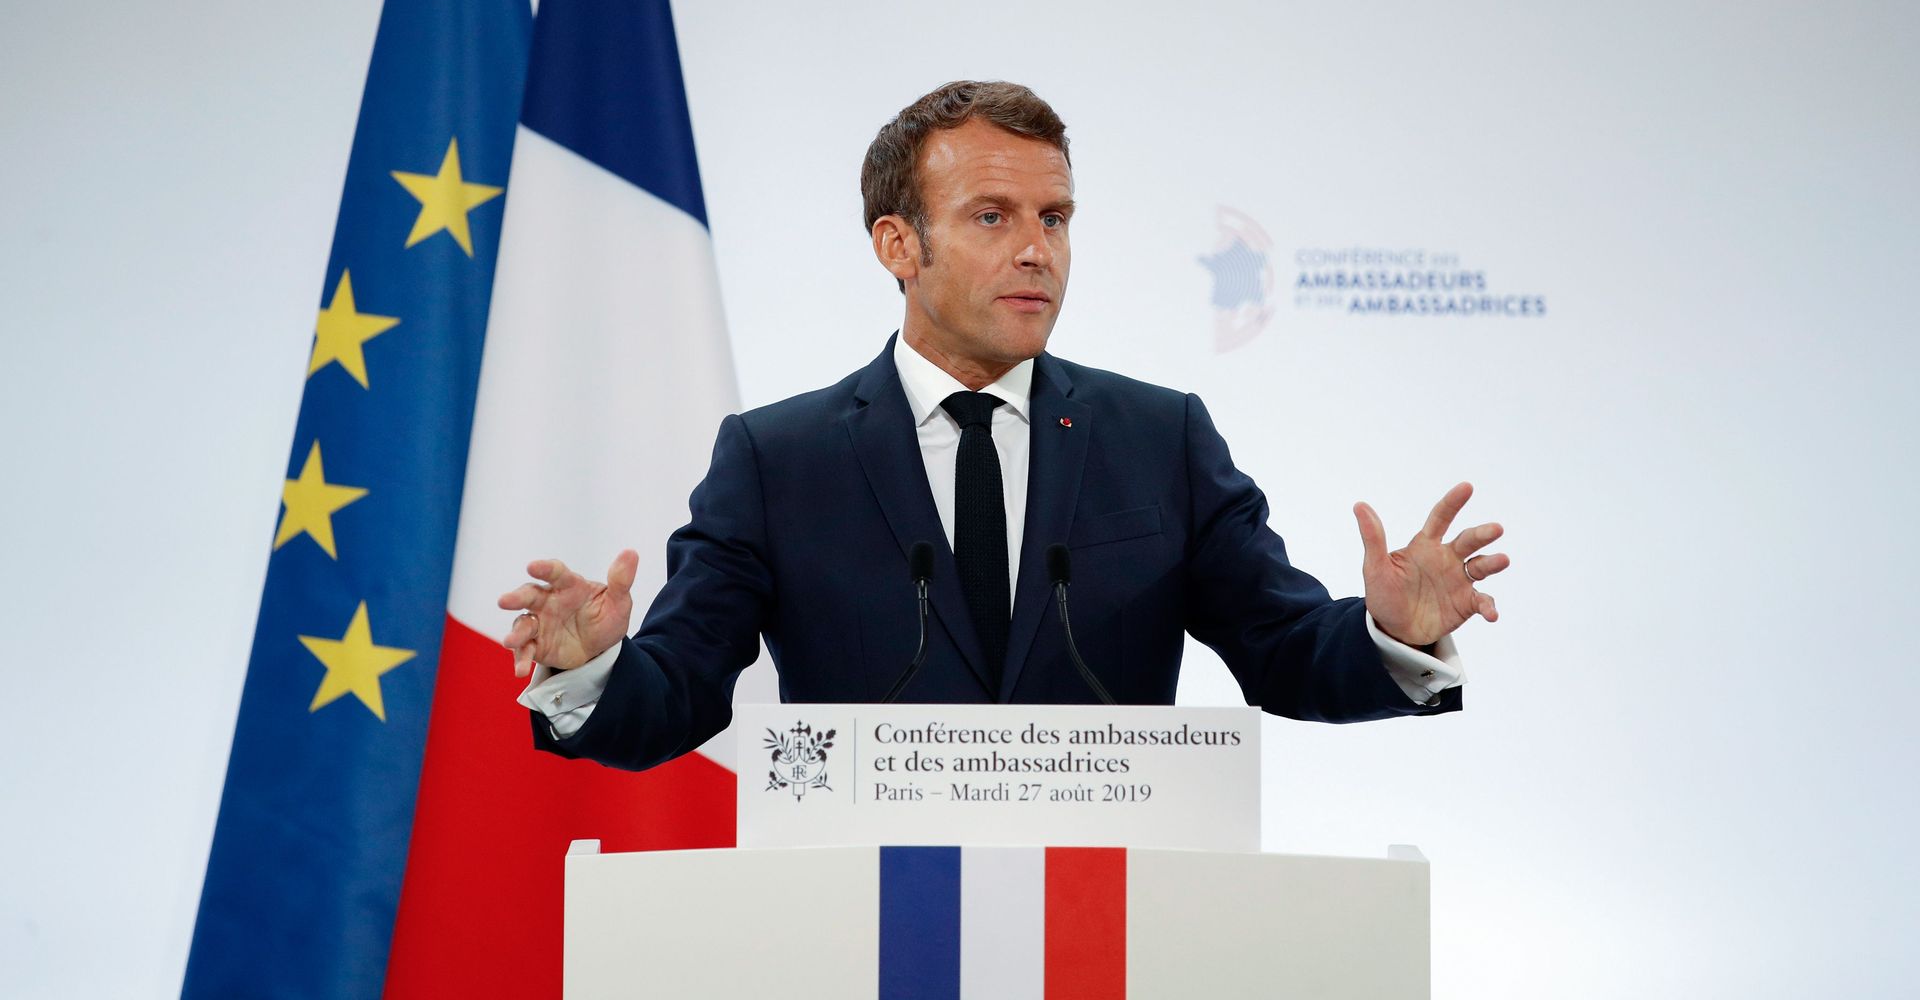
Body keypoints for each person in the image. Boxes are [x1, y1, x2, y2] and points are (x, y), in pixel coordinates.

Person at [497, 81, 1507, 771]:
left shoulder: (1161, 439)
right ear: (899, 244)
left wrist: (1392, 634)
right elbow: (678, 691)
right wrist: (591, 668)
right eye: (993, 216)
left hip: (1104, 920)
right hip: (867, 922)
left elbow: (1283, 647)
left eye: (1054, 218)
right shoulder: (778, 461)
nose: (1037, 251)